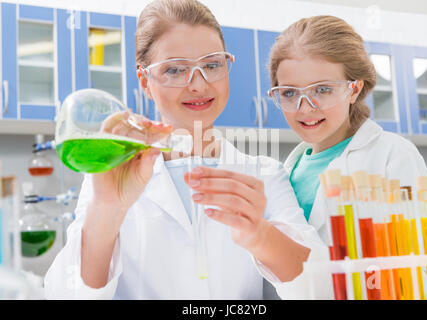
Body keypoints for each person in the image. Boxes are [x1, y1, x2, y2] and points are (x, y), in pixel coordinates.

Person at [44, 0, 328, 300]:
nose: (198, 84)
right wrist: (107, 211)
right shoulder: (110, 177)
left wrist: (259, 234)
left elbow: (322, 289)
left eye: (211, 65)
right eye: (176, 70)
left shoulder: (265, 173)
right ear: (145, 80)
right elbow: (67, 294)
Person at [268, 15, 427, 243]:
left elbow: (422, 259)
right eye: (289, 93)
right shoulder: (287, 173)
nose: (304, 108)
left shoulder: (393, 155)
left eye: (322, 90)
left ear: (354, 90)